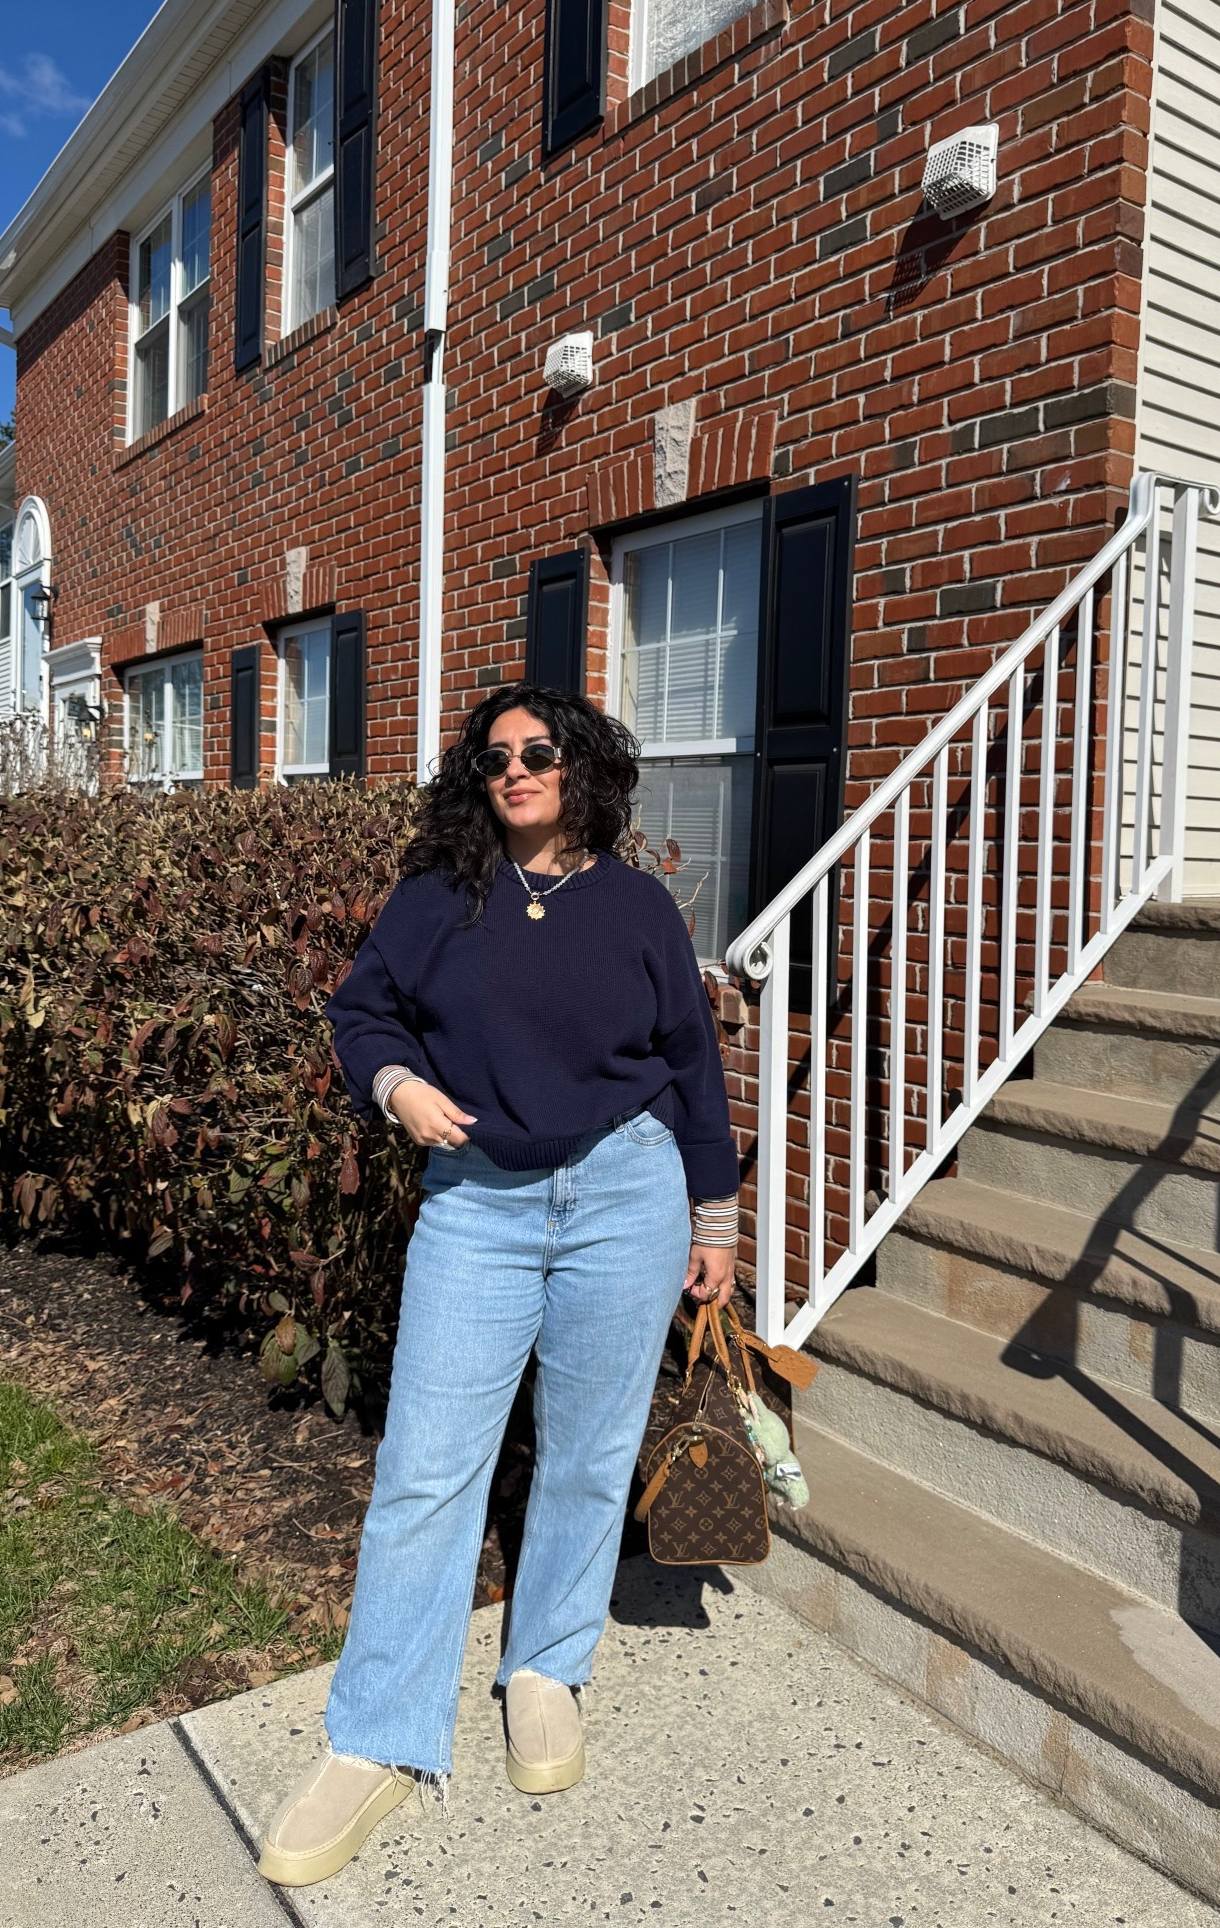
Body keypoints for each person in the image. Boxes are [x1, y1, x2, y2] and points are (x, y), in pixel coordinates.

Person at [258, 682, 741, 1889]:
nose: (515, 770)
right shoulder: (439, 897)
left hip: (625, 1198)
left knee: (586, 1450)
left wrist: (716, 1214)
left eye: (540, 752)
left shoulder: (635, 905)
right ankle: (377, 1735)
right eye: (494, 758)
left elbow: (691, 1060)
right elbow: (362, 1012)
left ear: (583, 767)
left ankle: (545, 1668)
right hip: (477, 1202)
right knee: (427, 1467)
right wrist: (397, 1089)